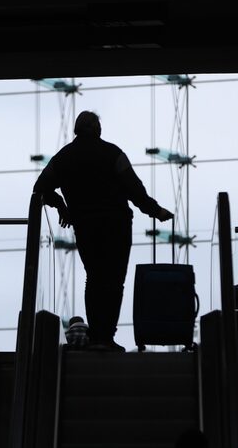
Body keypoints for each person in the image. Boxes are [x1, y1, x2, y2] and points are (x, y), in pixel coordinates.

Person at [33, 111, 174, 352]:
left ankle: (97, 337)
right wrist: (155, 211)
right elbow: (134, 189)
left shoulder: (63, 158)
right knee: (114, 280)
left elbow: (40, 189)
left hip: (85, 226)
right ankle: (105, 336)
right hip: (116, 225)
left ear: (76, 130)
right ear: (97, 129)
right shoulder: (112, 153)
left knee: (94, 277)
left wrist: (62, 207)